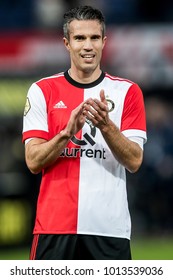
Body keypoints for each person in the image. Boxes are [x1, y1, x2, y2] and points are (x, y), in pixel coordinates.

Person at [22, 5, 147, 260]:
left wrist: (105, 125)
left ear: (104, 42)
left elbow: (135, 161)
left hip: (109, 230)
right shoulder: (41, 90)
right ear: (67, 43)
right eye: (80, 38)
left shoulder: (128, 92)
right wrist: (66, 133)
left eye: (94, 38)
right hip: (54, 229)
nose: (87, 46)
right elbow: (33, 161)